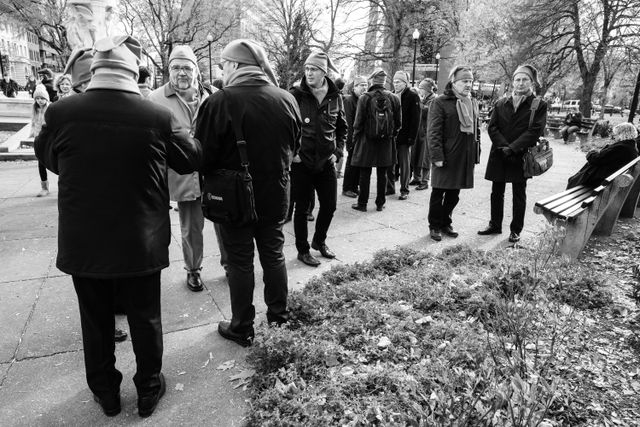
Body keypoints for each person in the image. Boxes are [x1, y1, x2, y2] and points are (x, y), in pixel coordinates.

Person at [34, 35, 201, 418]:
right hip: (139, 240)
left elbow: (50, 158)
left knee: (95, 321)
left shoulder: (62, 112)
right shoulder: (156, 116)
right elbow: (190, 159)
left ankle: (106, 393)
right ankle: (148, 389)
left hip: (84, 241)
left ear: (94, 73)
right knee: (145, 318)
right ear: (132, 74)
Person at [196, 38, 301, 347]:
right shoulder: (286, 98)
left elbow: (202, 156)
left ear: (236, 66)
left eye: (224, 65)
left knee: (240, 261)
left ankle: (242, 327)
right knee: (274, 254)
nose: (222, 70)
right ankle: (279, 319)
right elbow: (294, 148)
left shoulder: (219, 101)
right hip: (276, 194)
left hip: (234, 199)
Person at [64, 46, 129, 343]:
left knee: (102, 285)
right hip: (103, 214)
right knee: (101, 283)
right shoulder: (66, 112)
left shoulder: (65, 113)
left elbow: (51, 158)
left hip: (94, 217)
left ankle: (112, 317)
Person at [149, 45, 225, 292]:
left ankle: (231, 265)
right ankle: (193, 270)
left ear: (196, 70)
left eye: (186, 67)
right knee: (191, 226)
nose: (181, 73)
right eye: (176, 67)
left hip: (214, 171)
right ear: (169, 70)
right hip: (182, 174)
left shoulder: (212, 94)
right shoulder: (155, 99)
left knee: (224, 221)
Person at [478, 64, 547, 243]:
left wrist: (513, 147)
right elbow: (492, 127)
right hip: (500, 154)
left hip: (520, 155)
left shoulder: (538, 104)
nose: (521, 83)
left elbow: (535, 130)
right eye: (517, 79)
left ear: (531, 82)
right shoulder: (501, 102)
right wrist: (503, 147)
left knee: (519, 193)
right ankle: (495, 224)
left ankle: (516, 230)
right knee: (496, 192)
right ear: (512, 82)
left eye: (525, 79)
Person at [289, 51, 347, 267]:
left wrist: (337, 151)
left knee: (330, 205)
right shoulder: (296, 94)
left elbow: (342, 127)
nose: (309, 73)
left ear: (324, 72)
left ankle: (319, 241)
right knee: (302, 209)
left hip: (326, 162)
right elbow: (286, 126)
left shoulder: (335, 96)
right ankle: (302, 250)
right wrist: (293, 154)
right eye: (307, 69)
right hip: (301, 162)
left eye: (313, 69)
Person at [427, 65, 480, 242]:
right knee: (438, 193)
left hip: (464, 156)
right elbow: (433, 131)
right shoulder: (440, 101)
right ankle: (434, 225)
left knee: (454, 194)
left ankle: (445, 222)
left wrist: (475, 154)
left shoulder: (471, 101)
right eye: (465, 81)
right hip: (446, 156)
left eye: (470, 81)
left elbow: (476, 130)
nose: (468, 84)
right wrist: (437, 156)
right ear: (453, 82)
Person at [351, 69, 401, 212]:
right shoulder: (394, 98)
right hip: (386, 142)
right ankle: (380, 203)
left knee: (364, 174)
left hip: (366, 141)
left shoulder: (364, 98)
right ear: (384, 82)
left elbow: (358, 122)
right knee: (382, 173)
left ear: (372, 81)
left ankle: (362, 204)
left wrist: (355, 138)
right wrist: (391, 135)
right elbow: (399, 123)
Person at [567, 122, 639, 189]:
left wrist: (591, 152)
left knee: (572, 180)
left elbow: (596, 159)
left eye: (616, 134)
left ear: (622, 134)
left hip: (601, 180)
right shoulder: (630, 146)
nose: (614, 136)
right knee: (573, 179)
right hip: (609, 177)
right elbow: (605, 157)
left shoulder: (621, 147)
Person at [388, 71, 420, 200]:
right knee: (389, 163)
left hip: (405, 137)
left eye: (399, 82)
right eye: (394, 82)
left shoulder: (412, 96)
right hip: (391, 136)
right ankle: (389, 188)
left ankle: (404, 189)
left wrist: (412, 138)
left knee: (404, 164)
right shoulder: (390, 95)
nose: (396, 84)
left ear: (405, 83)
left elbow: (415, 119)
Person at [342, 75, 368, 198]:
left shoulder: (363, 99)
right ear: (354, 87)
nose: (364, 87)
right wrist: (351, 139)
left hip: (361, 137)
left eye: (366, 85)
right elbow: (348, 122)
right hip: (352, 137)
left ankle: (354, 186)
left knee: (357, 163)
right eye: (361, 85)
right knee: (351, 162)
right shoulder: (349, 101)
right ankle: (347, 187)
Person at [411, 78, 437, 191]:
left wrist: (419, 103)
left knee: (425, 157)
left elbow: (428, 112)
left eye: (421, 88)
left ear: (426, 90)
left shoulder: (434, 100)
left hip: (427, 132)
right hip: (418, 130)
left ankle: (424, 181)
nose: (419, 90)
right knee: (416, 155)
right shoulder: (424, 99)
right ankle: (416, 178)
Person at [30, 84, 51, 197]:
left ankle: (63, 186)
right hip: (39, 139)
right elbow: (33, 124)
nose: (39, 101)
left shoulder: (51, 108)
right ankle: (44, 187)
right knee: (41, 163)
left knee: (58, 163)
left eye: (42, 98)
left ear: (46, 98)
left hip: (50, 139)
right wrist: (34, 135)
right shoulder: (34, 109)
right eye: (37, 98)